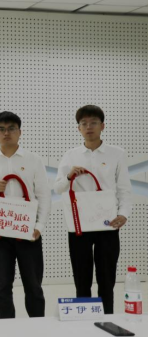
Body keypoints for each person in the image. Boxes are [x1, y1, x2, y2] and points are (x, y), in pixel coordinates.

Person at [54, 105, 132, 314]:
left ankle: (107, 319)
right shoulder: (70, 155)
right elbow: (58, 187)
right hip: (79, 225)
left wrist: (123, 214)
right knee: (82, 278)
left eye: (94, 123)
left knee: (107, 278)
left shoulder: (117, 154)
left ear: (103, 126)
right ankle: (84, 321)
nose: (89, 127)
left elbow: (124, 189)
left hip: (108, 222)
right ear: (78, 128)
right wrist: (69, 176)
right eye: (84, 123)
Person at [0, 112, 51, 319]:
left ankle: (37, 326)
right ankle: (5, 327)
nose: (6, 133)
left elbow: (43, 195)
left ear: (20, 132)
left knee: (33, 285)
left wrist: (39, 226)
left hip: (29, 232)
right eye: (1, 129)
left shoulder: (34, 160)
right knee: (2, 285)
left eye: (11, 128)